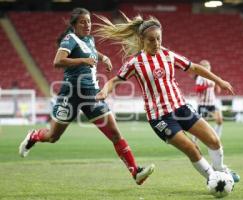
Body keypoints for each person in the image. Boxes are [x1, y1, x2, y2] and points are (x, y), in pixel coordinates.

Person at [94, 13, 240, 183]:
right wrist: (105, 91)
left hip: (181, 108)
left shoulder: (168, 55)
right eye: (151, 40)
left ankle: (221, 169)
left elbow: (195, 68)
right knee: (191, 148)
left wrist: (219, 80)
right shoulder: (136, 63)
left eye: (158, 39)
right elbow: (114, 81)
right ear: (142, 40)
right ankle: (214, 179)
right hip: (160, 117)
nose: (156, 43)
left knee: (214, 141)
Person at [18, 8, 154, 185]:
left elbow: (91, 52)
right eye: (82, 22)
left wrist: (103, 57)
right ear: (74, 25)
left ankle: (135, 172)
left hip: (92, 94)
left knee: (115, 134)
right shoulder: (70, 39)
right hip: (71, 93)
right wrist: (82, 61)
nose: (87, 25)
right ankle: (34, 136)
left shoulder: (89, 39)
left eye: (89, 21)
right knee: (53, 137)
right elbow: (57, 61)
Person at [192, 60, 223, 144]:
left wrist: (217, 87)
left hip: (212, 103)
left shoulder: (211, 77)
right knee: (200, 125)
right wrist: (207, 86)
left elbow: (216, 86)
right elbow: (197, 89)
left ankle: (217, 138)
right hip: (203, 104)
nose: (209, 67)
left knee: (219, 120)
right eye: (206, 66)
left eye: (209, 65)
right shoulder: (200, 78)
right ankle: (194, 140)